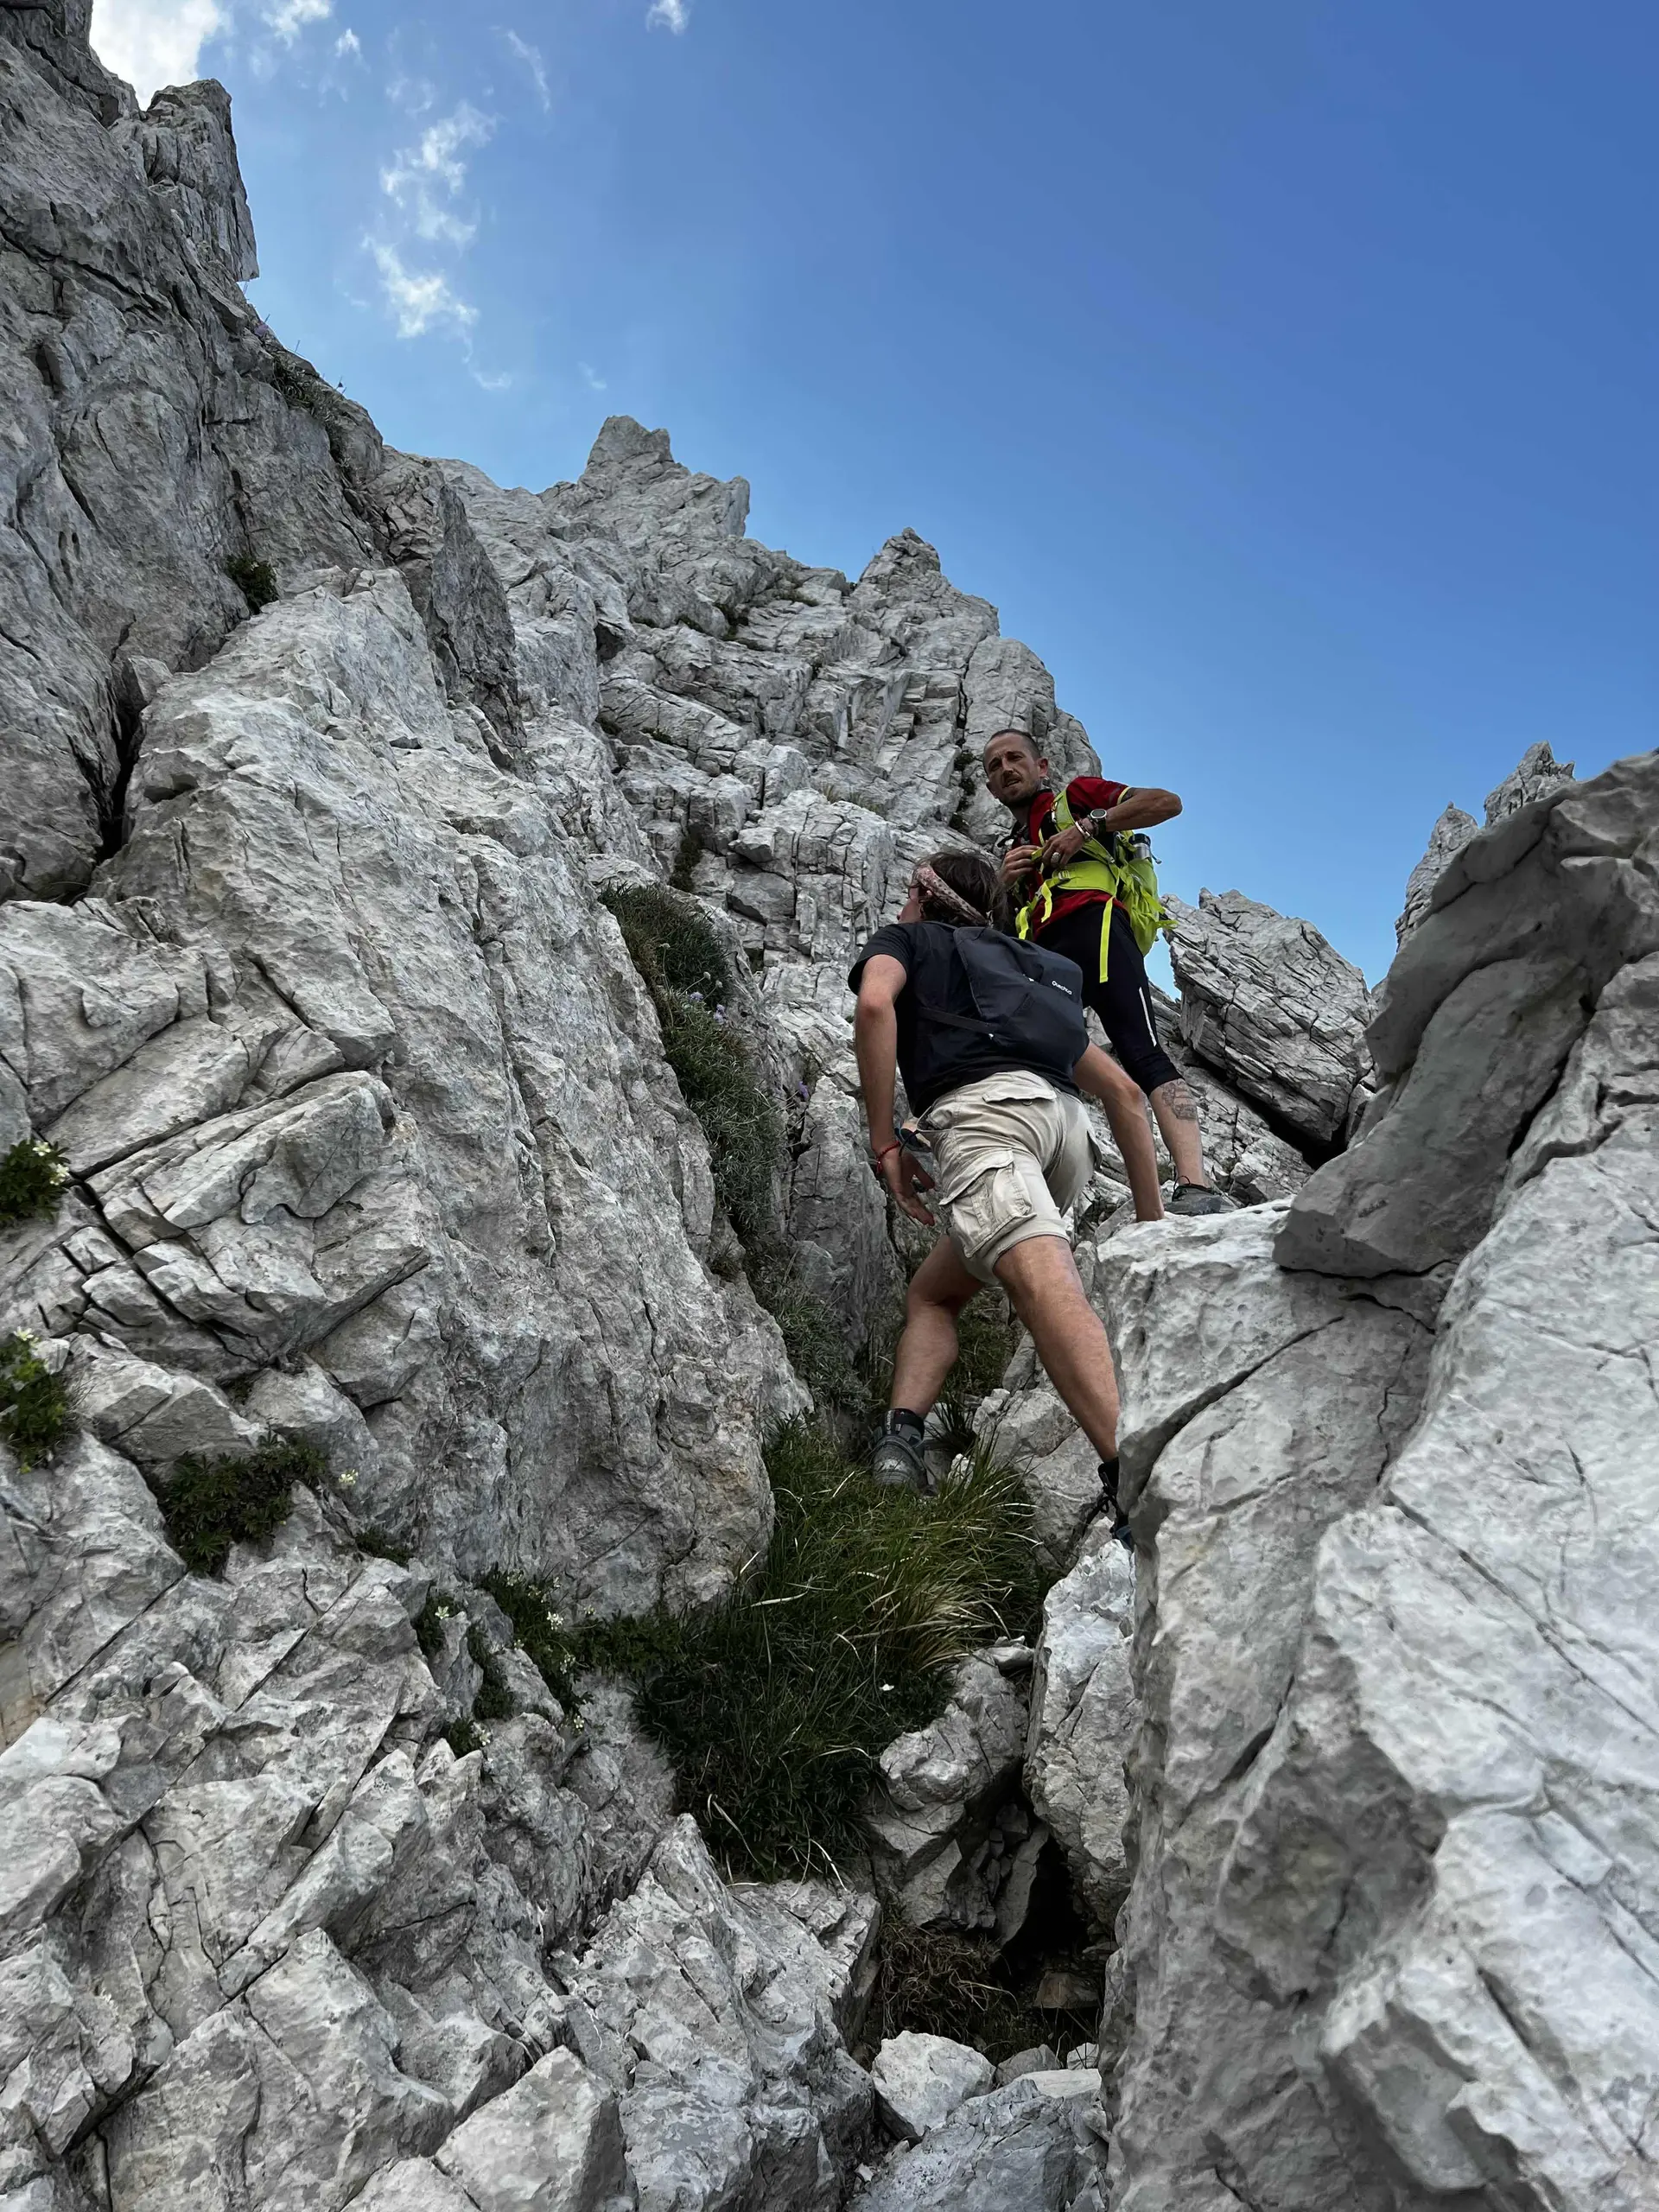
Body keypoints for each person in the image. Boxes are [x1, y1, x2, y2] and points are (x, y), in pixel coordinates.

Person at [849, 846, 1156, 1530]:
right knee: (934, 1294)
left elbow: (873, 1005)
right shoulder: (1027, 970)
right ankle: (902, 1436)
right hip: (1065, 1137)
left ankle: (1140, 1484)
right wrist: (1154, 1229)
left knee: (1046, 1287)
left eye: (908, 894)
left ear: (923, 895)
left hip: (987, 1122)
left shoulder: (909, 940)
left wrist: (885, 1143)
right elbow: (1126, 1094)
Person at [982, 728, 1231, 1217]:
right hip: (1043, 956)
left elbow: (1166, 803)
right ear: (990, 787)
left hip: (1098, 931)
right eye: (995, 766)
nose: (1006, 769)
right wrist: (1002, 886)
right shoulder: (1011, 847)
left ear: (1041, 766)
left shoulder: (1076, 799)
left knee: (1143, 1051)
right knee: (1029, 1062)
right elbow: (1006, 931)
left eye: (1015, 758)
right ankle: (1034, 1194)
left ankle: (1195, 1186)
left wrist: (1089, 826)